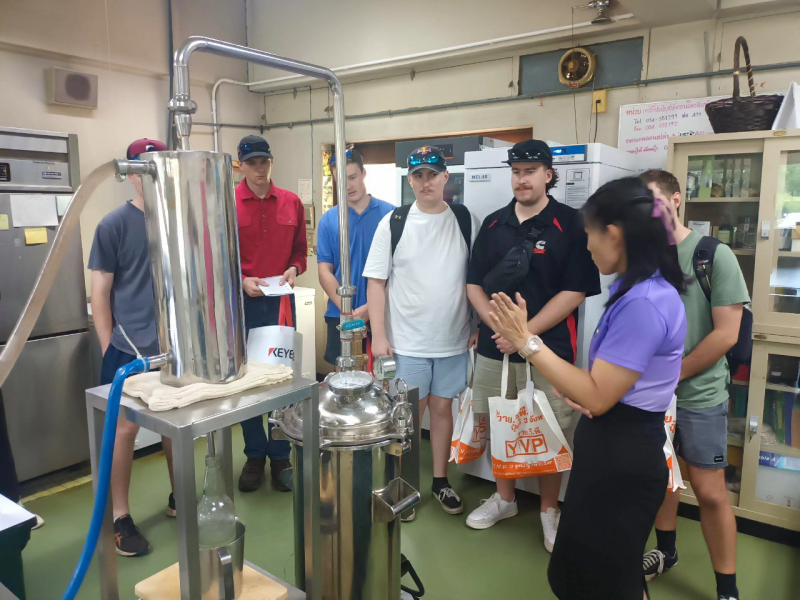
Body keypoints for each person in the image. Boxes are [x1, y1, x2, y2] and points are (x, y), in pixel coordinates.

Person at [489, 177, 687, 600]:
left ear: (614, 235)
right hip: (614, 442)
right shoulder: (642, 290)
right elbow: (605, 388)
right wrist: (588, 393)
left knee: (604, 580)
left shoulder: (644, 302)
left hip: (622, 458)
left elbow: (598, 393)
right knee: (600, 574)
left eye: (590, 235)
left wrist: (525, 340)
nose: (588, 246)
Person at [464, 140, 600, 551]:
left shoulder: (571, 224)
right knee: (500, 422)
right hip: (495, 347)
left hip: (550, 349)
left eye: (530, 171)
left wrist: (523, 335)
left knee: (549, 428)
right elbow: (474, 284)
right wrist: (500, 327)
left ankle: (548, 509)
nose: (521, 179)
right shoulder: (493, 224)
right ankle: (504, 499)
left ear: (548, 175)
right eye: (516, 172)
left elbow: (575, 291)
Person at [640, 169, 749, 600]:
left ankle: (727, 588)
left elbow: (726, 334)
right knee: (662, 479)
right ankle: (665, 552)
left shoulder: (712, 256)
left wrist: (675, 374)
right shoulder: (642, 258)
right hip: (651, 396)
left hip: (699, 395)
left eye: (653, 201)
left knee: (709, 491)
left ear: (676, 199)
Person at [364, 146, 477, 516]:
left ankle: (440, 481)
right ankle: (403, 485)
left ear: (446, 177)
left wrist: (476, 323)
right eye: (418, 175)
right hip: (407, 342)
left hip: (453, 340)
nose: (426, 182)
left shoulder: (464, 219)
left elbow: (475, 278)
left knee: (443, 408)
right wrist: (379, 336)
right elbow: (376, 282)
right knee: (408, 416)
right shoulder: (394, 222)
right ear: (410, 180)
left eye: (432, 174)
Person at [88, 138, 175, 557]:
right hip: (128, 350)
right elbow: (100, 293)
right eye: (143, 167)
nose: (150, 175)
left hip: (173, 347)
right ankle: (120, 517)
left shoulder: (175, 222)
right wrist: (110, 349)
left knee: (177, 423)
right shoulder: (113, 225)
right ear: (131, 172)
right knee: (124, 430)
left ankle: (181, 496)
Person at [235, 135, 307, 493]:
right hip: (243, 306)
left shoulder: (291, 202)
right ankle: (254, 455)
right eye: (252, 163)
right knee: (248, 383)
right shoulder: (228, 203)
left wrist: (294, 269)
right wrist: (241, 279)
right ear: (241, 166)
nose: (259, 169)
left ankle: (280, 456)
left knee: (282, 380)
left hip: (281, 304)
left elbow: (300, 251)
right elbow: (219, 256)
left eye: (264, 161)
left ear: (271, 162)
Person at [317, 149, 393, 368]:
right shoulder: (329, 220)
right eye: (341, 180)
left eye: (352, 177)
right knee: (344, 379)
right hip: (341, 315)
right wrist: (347, 309)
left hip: (383, 313)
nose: (348, 185)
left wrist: (370, 308)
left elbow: (399, 272)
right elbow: (324, 271)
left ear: (363, 174)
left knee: (383, 377)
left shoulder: (390, 216)